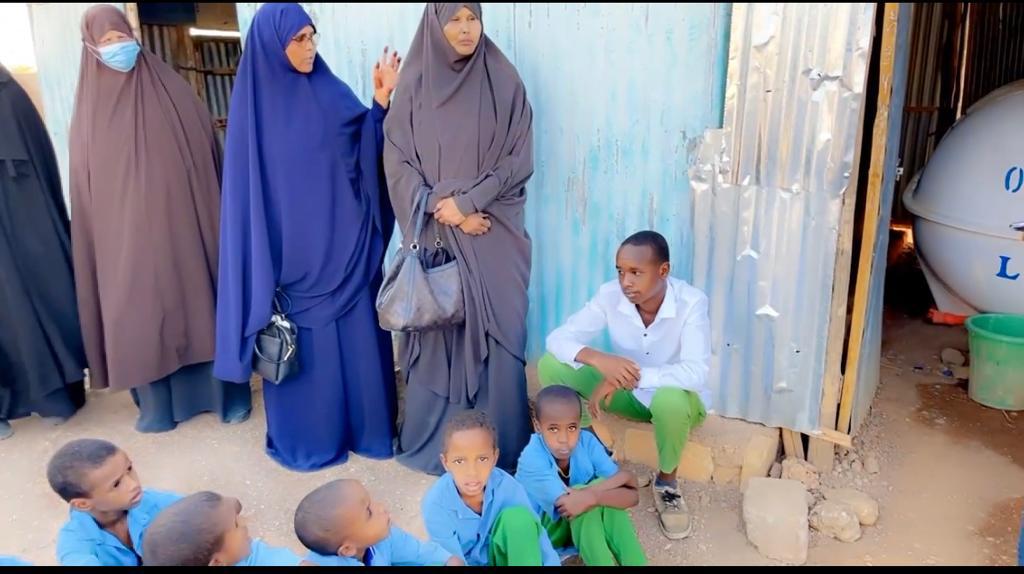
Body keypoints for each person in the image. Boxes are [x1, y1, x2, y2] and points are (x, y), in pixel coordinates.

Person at [215, 2, 400, 471]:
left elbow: (365, 146)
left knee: (359, 351)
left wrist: (380, 105)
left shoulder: (329, 91)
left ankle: (369, 433)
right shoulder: (253, 114)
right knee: (307, 361)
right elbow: (247, 202)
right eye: (298, 40)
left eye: (312, 37)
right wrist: (266, 266)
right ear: (271, 45)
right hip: (291, 268)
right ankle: (312, 442)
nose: (309, 47)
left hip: (347, 252)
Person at [68, 4, 251, 433]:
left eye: (122, 38)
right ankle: (158, 409)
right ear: (90, 48)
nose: (118, 48)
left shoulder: (172, 90)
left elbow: (207, 156)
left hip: (187, 229)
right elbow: (86, 195)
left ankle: (225, 399)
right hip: (124, 246)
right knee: (142, 318)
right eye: (107, 42)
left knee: (200, 305)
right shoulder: (87, 116)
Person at [384, 2, 535, 476]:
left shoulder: (503, 81)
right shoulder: (413, 86)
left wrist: (469, 203)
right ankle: (438, 446)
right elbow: (398, 164)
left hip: (494, 236)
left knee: (501, 330)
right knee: (439, 331)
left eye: (473, 18)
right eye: (455, 19)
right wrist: (440, 207)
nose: (466, 28)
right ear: (435, 24)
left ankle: (500, 446)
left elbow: (518, 159)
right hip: (438, 236)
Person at [538, 230, 711, 540]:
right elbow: (557, 339)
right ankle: (593, 452)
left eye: (635, 272)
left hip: (676, 403)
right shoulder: (610, 295)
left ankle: (667, 483)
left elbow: (696, 373)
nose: (625, 282)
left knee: (669, 399)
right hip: (625, 394)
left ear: (663, 271)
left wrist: (629, 375)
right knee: (550, 365)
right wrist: (599, 359)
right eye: (620, 271)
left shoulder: (691, 302)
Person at [0, 63, 87, 440]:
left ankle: (56, 394)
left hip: (23, 216)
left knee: (38, 294)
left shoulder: (8, 94)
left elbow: (36, 166)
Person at [516, 385, 646, 565]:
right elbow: (571, 504)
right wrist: (619, 481)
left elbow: (632, 497)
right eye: (553, 429)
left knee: (597, 498)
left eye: (571, 428)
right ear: (538, 426)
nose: (564, 439)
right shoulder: (531, 457)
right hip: (544, 535)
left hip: (578, 527)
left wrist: (594, 495)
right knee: (586, 496)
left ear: (579, 424)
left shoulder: (587, 442)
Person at [421, 411, 559, 566]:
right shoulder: (436, 503)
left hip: (503, 559)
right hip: (462, 562)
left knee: (520, 520)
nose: (472, 472)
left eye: (482, 459)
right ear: (446, 463)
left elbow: (537, 536)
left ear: (494, 458)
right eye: (460, 461)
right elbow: (453, 560)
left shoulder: (507, 487)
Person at [47, 438, 181, 566]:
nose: (133, 484)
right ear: (83, 504)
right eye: (116, 484)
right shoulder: (75, 543)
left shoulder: (156, 502)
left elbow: (192, 514)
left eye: (129, 469)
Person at [295, 479, 461, 566]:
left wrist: (450, 559)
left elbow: (419, 552)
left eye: (372, 501)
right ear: (348, 549)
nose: (381, 507)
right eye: (369, 512)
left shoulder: (385, 536)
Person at [143, 491, 308, 566]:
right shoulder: (250, 556)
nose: (244, 523)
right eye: (236, 524)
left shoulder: (240, 553)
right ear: (217, 563)